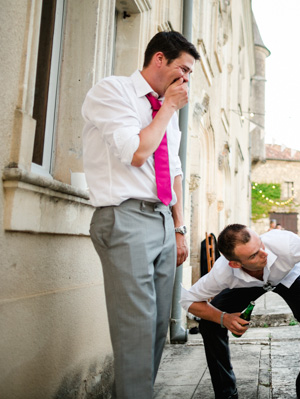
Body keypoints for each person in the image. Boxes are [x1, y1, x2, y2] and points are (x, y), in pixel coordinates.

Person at [82, 31, 199, 398]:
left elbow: (174, 170)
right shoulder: (113, 91)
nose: (185, 80)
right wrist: (167, 109)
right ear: (159, 59)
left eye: (190, 74)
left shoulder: (167, 110)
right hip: (125, 217)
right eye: (183, 69)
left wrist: (179, 227)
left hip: (163, 220)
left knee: (156, 326)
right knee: (135, 326)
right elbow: (136, 152)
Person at [180, 224, 300, 399]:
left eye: (260, 244)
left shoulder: (283, 242)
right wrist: (223, 318)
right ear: (235, 264)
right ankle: (226, 393)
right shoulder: (223, 272)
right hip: (246, 284)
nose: (265, 254)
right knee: (209, 324)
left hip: (290, 275)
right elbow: (187, 300)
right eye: (254, 255)